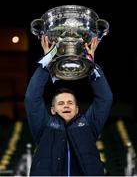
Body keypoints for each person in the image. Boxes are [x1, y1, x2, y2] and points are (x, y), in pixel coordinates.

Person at [24, 35, 113, 176]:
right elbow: (31, 98)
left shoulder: (89, 125)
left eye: (70, 102)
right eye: (61, 103)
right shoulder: (43, 126)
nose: (66, 105)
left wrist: (90, 63)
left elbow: (105, 98)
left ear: (77, 109)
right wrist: (47, 61)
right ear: (52, 110)